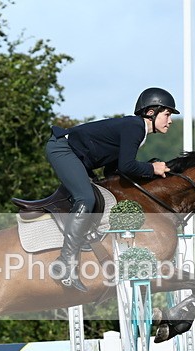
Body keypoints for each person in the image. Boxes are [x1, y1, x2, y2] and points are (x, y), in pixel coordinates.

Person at [46, 87, 179, 292]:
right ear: (151, 112)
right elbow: (126, 166)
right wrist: (152, 168)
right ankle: (65, 263)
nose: (170, 121)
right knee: (86, 199)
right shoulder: (135, 127)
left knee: (97, 196)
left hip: (77, 157)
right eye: (167, 114)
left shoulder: (136, 130)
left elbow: (113, 169)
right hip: (62, 149)